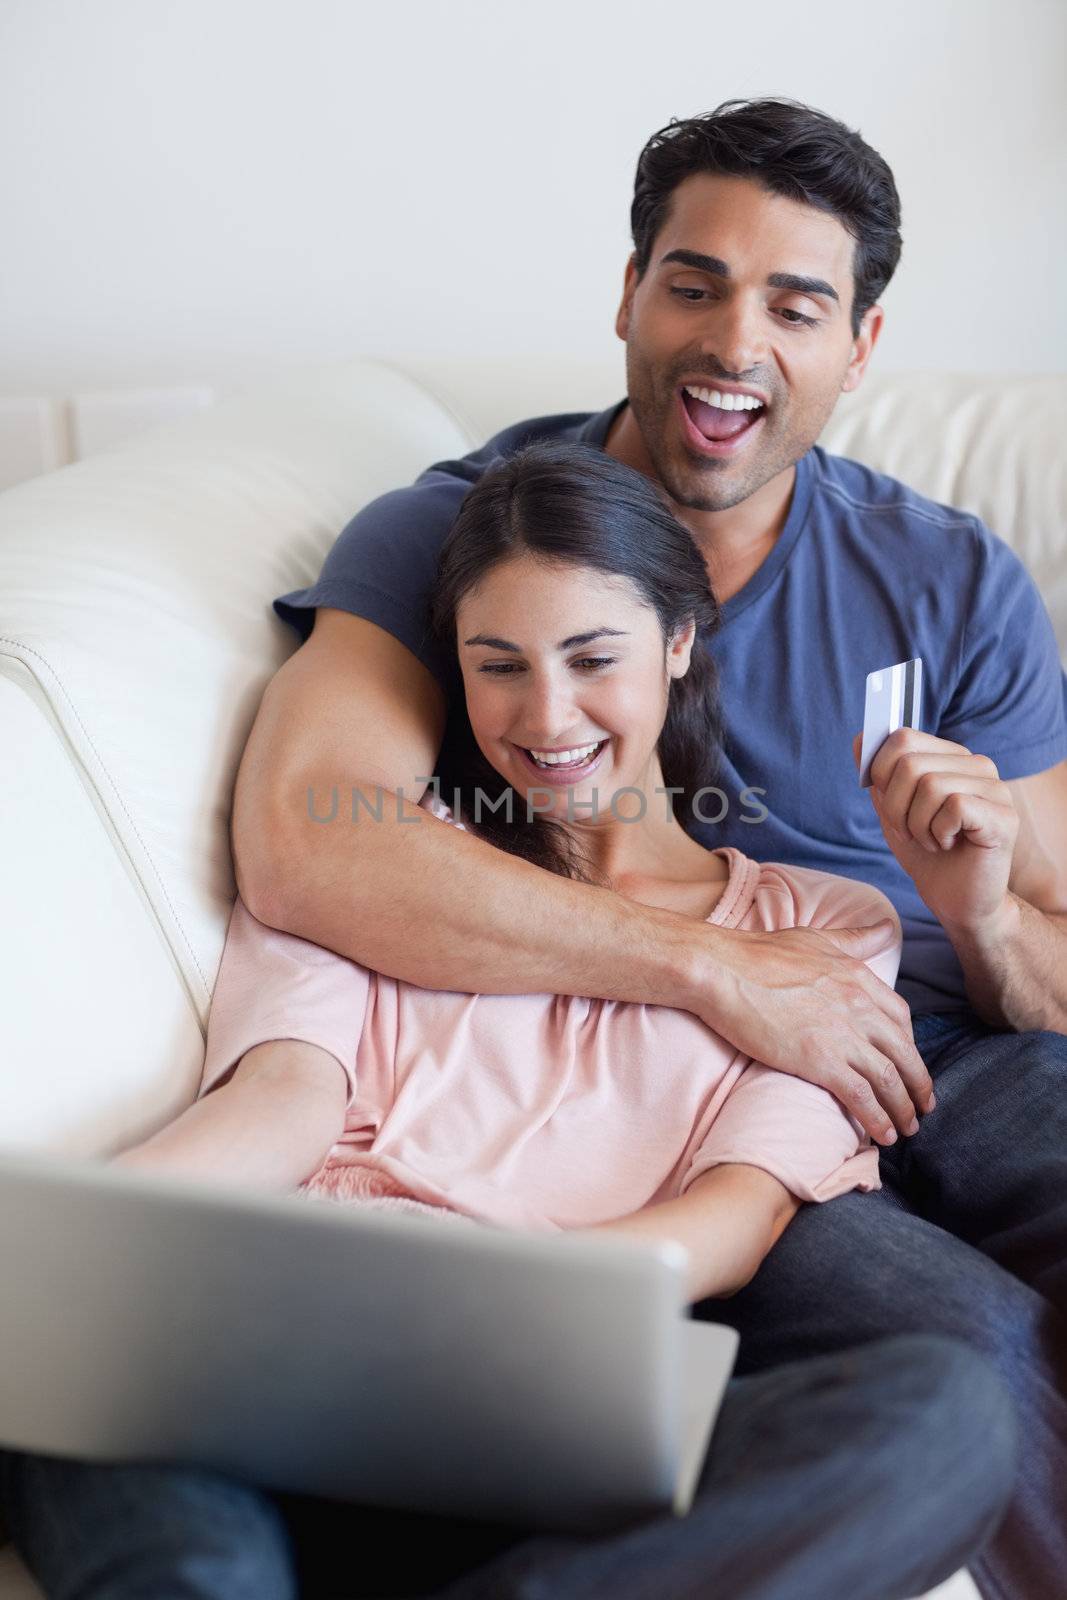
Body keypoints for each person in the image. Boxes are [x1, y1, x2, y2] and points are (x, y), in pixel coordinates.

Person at [213, 98, 1062, 1598]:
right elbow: (308, 841)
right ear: (625, 293)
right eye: (693, 282)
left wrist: (982, 923)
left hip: (948, 1041)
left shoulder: (946, 580)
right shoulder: (466, 537)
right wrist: (720, 975)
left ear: (858, 346)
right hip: (703, 1082)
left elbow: (1047, 955)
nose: (732, 342)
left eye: (793, 304)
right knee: (967, 1352)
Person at [0, 444, 1018, 1599]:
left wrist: (502, 1328)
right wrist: (72, 1249)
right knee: (133, 1470)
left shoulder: (814, 927)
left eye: (592, 659)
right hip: (285, 1364)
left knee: (945, 1418)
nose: (546, 716)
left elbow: (732, 1217)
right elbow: (282, 1098)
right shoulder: (393, 866)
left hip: (538, 1406)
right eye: (499, 666)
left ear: (679, 644)